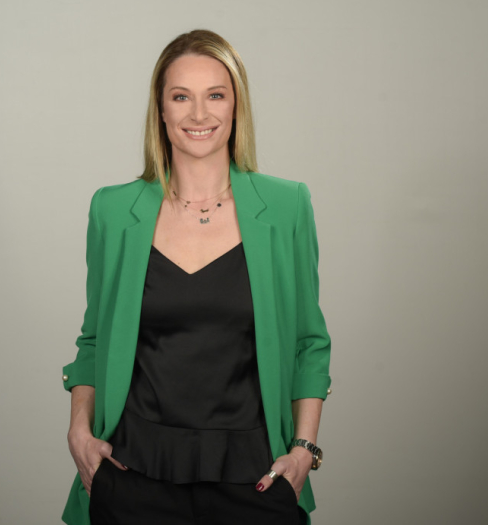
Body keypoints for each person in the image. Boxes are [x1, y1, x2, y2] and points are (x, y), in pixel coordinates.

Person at [61, 29, 332, 525]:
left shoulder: (287, 206)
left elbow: (309, 343)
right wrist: (79, 431)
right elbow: (94, 340)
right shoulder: (113, 211)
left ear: (236, 106)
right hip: (131, 473)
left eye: (216, 95)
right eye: (181, 96)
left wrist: (303, 449)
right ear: (161, 110)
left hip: (255, 475)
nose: (199, 114)